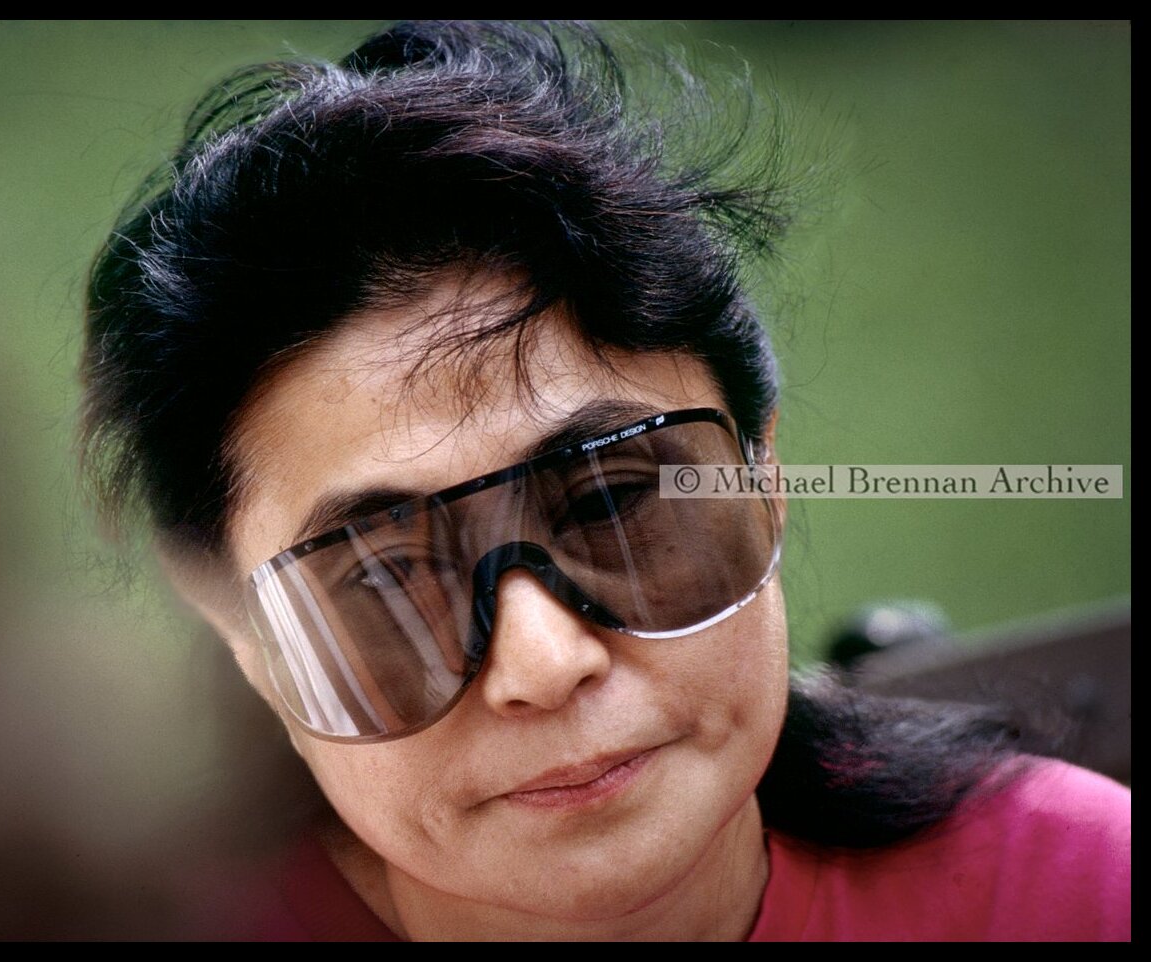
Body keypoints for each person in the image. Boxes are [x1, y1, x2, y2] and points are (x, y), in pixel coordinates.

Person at [79, 22, 1129, 940]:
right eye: (389, 573)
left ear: (762, 476)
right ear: (244, 640)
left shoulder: (1074, 893)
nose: (544, 660)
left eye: (614, 500)